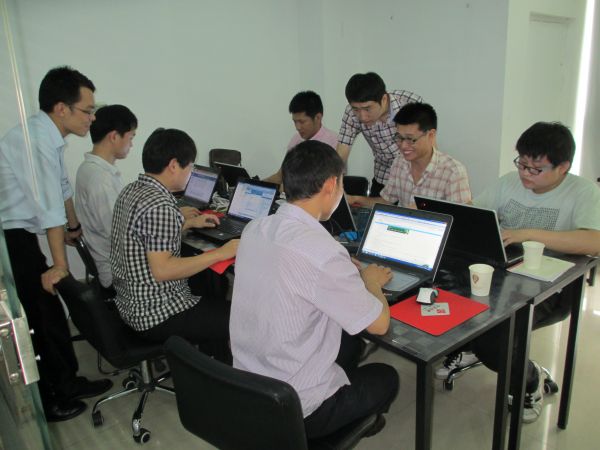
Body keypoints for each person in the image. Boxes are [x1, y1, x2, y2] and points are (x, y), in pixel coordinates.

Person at [230, 140, 399, 439]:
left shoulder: (255, 229)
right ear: (331, 185)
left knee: (349, 343)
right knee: (387, 377)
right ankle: (333, 429)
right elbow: (379, 325)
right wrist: (370, 281)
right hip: (296, 407)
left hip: (247, 385)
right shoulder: (324, 253)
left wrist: (338, 263)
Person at [440, 122, 600, 423]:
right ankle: (472, 345)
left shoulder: (584, 192)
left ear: (563, 167)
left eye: (535, 169)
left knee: (495, 340)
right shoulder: (509, 182)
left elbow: (594, 241)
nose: (525, 174)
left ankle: (529, 380)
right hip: (504, 275)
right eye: (521, 164)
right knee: (444, 293)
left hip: (550, 288)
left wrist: (527, 233)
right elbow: (475, 212)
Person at [0, 66, 112, 421]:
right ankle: (52, 398)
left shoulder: (50, 137)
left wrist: (73, 226)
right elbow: (49, 211)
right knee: (40, 317)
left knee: (51, 314)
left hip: (21, 234)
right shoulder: (34, 141)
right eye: (87, 110)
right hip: (10, 239)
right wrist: (60, 266)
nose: (92, 118)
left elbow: (62, 189)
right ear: (61, 108)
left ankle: (68, 382)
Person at [110, 128, 238, 362]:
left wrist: (186, 223)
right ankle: (219, 372)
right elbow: (163, 270)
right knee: (238, 316)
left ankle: (208, 360)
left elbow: (143, 236)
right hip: (157, 314)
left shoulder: (132, 190)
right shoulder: (160, 206)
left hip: (129, 304)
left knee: (208, 287)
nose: (190, 173)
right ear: (173, 165)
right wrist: (221, 252)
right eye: (189, 167)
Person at [347, 102, 471, 208]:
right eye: (399, 138)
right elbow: (386, 201)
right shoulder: (400, 162)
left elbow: (463, 219)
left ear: (431, 135)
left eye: (410, 139)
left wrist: (426, 212)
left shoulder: (453, 171)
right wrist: (355, 199)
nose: (403, 146)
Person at [75, 105, 138, 299]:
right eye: (131, 137)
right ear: (114, 136)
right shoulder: (101, 180)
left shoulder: (91, 169)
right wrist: (178, 224)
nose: (131, 144)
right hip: (119, 274)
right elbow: (123, 236)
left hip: (112, 264)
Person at [336, 72, 423, 197]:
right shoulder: (351, 114)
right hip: (383, 177)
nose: (362, 117)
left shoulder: (411, 104)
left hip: (413, 178)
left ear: (384, 99)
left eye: (367, 109)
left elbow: (428, 145)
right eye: (356, 109)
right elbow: (341, 153)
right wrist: (335, 185)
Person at [264, 90, 338, 185]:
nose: (297, 127)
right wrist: (256, 184)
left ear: (318, 118)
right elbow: (280, 176)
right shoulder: (296, 139)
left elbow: (328, 184)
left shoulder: (333, 142)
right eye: (295, 122)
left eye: (302, 122)